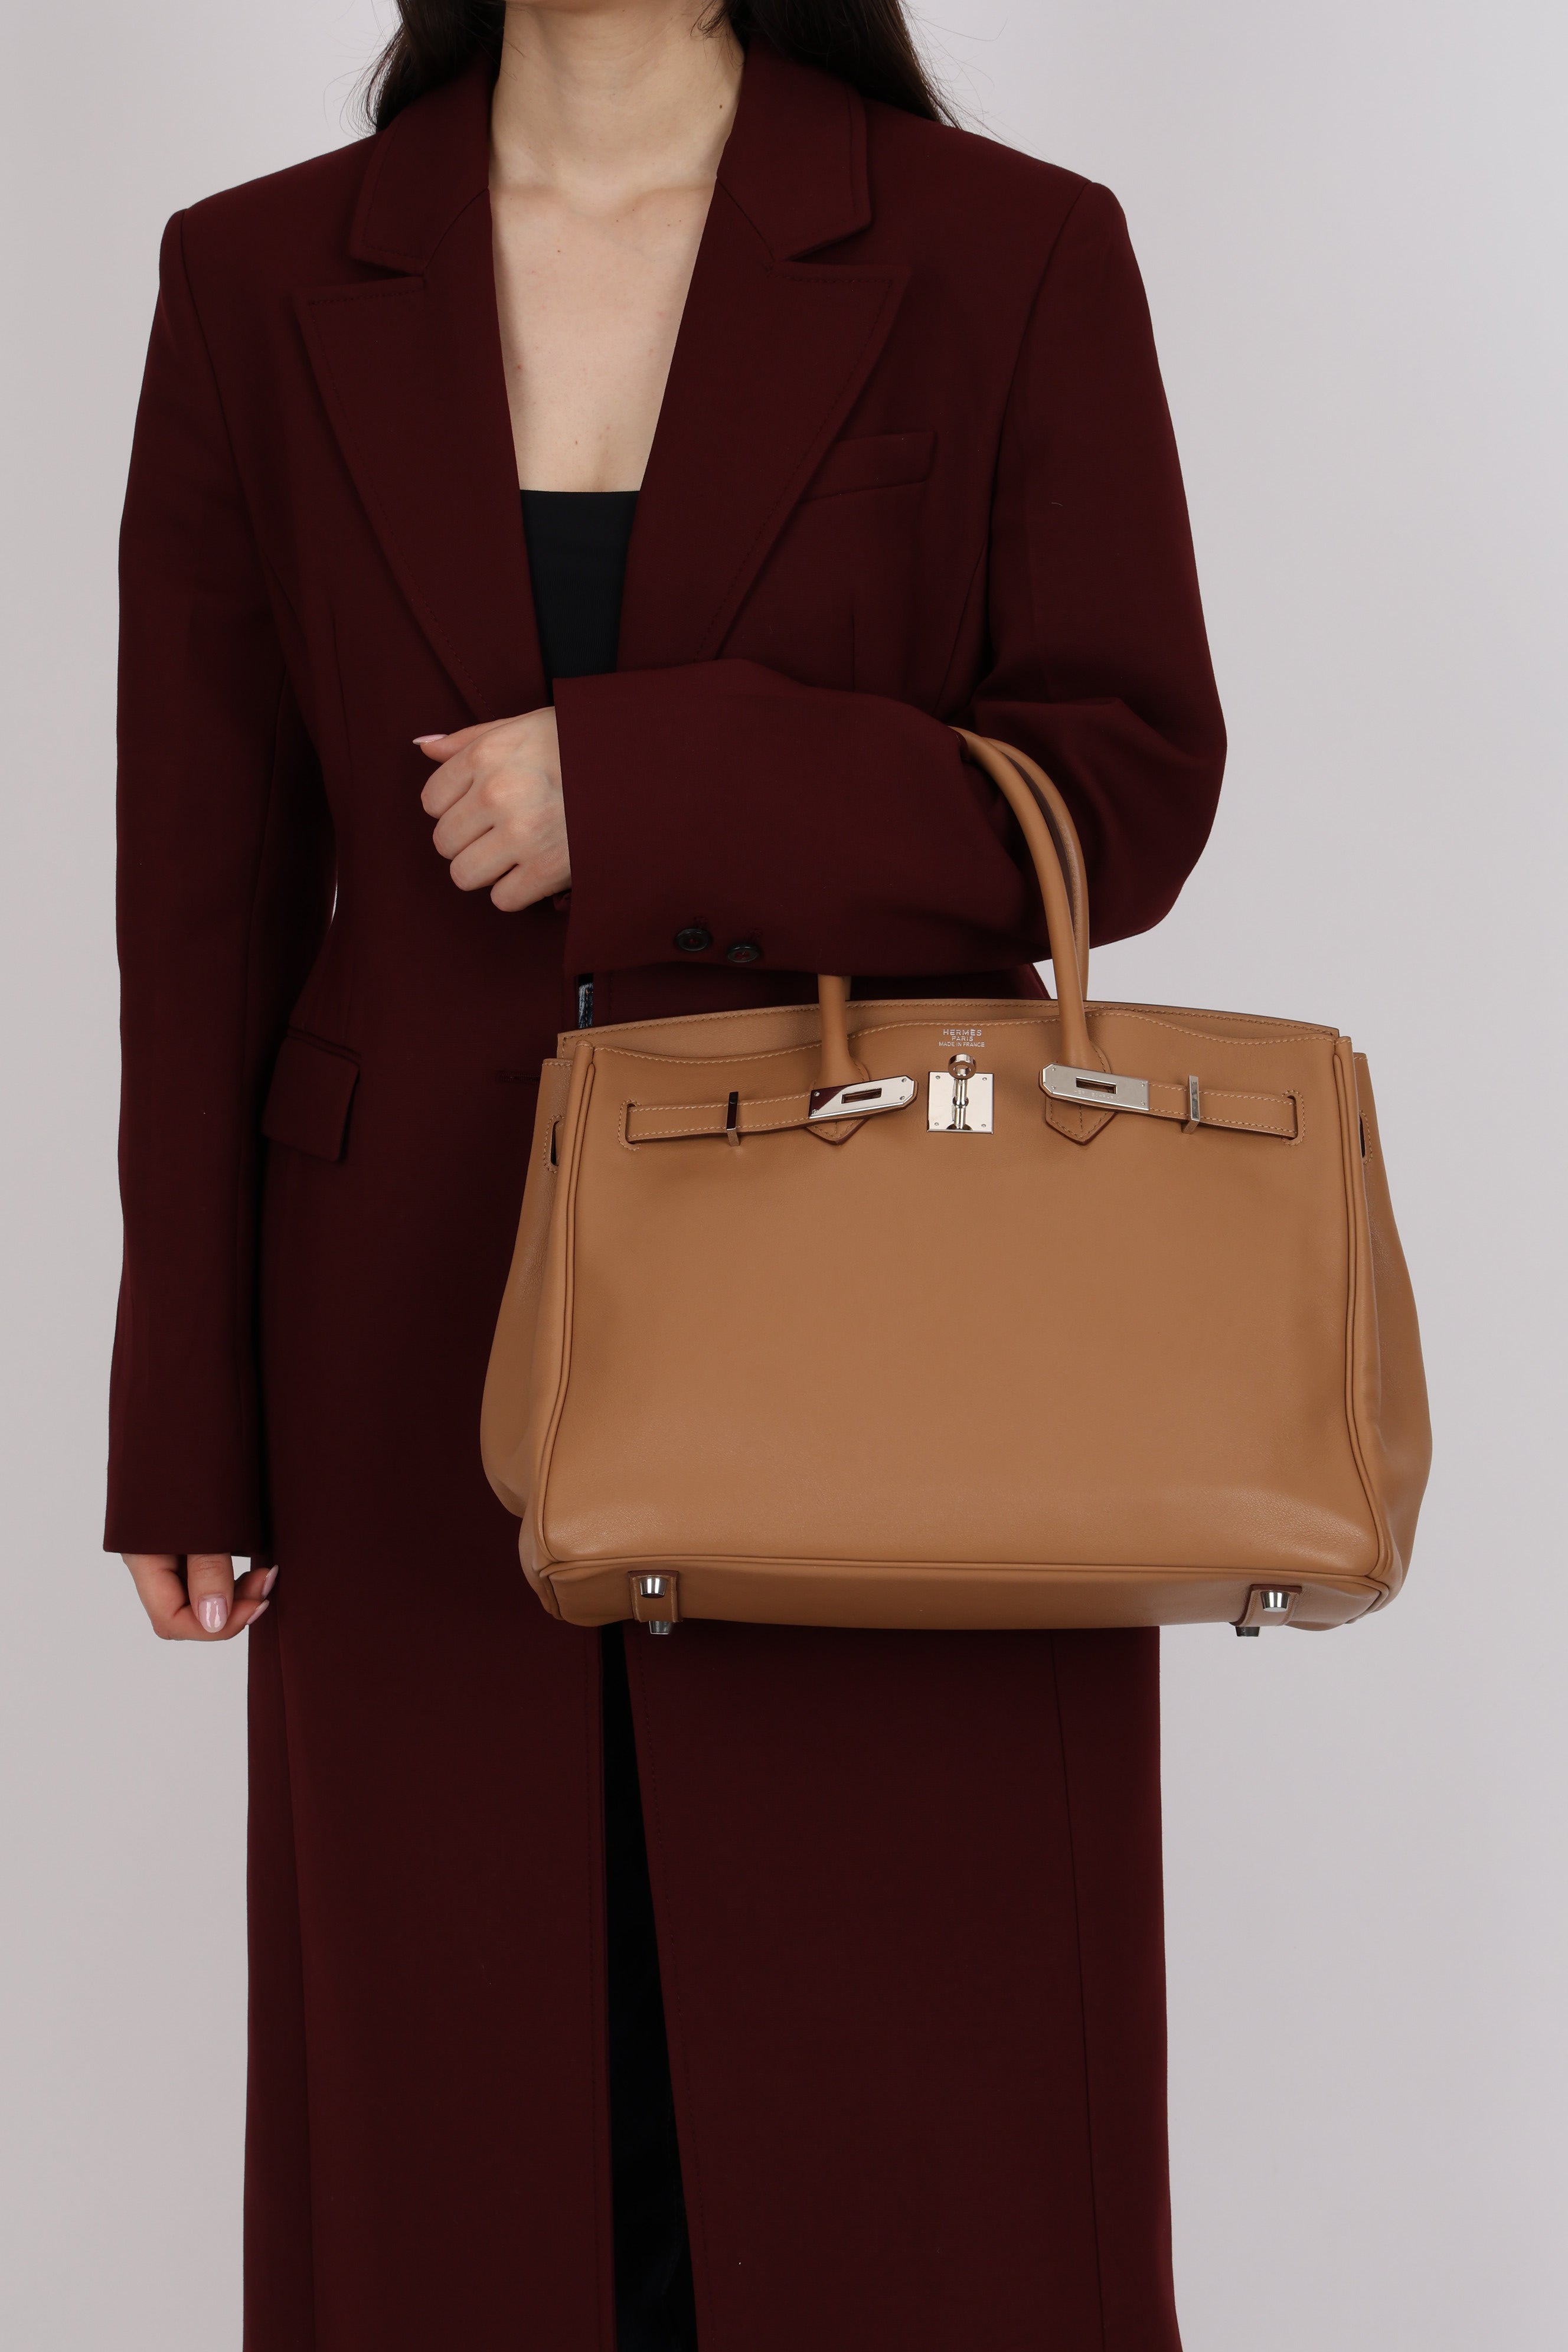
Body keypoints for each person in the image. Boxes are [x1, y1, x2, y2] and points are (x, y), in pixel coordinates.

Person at [109, 3, 1226, 2346]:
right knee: (466, 2152)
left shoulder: (1010, 250)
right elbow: (203, 895)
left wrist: (656, 785)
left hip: (895, 1340)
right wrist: (184, 1416)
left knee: (907, 2149)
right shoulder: (256, 275)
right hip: (410, 1346)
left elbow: (1120, 790)